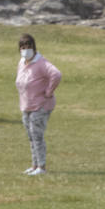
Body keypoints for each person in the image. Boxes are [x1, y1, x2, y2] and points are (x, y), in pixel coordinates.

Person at [15, 34, 61, 176]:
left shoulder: (41, 63)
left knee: (37, 135)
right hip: (27, 105)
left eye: (29, 47)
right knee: (31, 136)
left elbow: (56, 74)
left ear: (34, 48)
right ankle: (34, 165)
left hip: (41, 105)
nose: (26, 50)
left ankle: (41, 166)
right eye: (23, 47)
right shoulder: (22, 63)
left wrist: (48, 91)